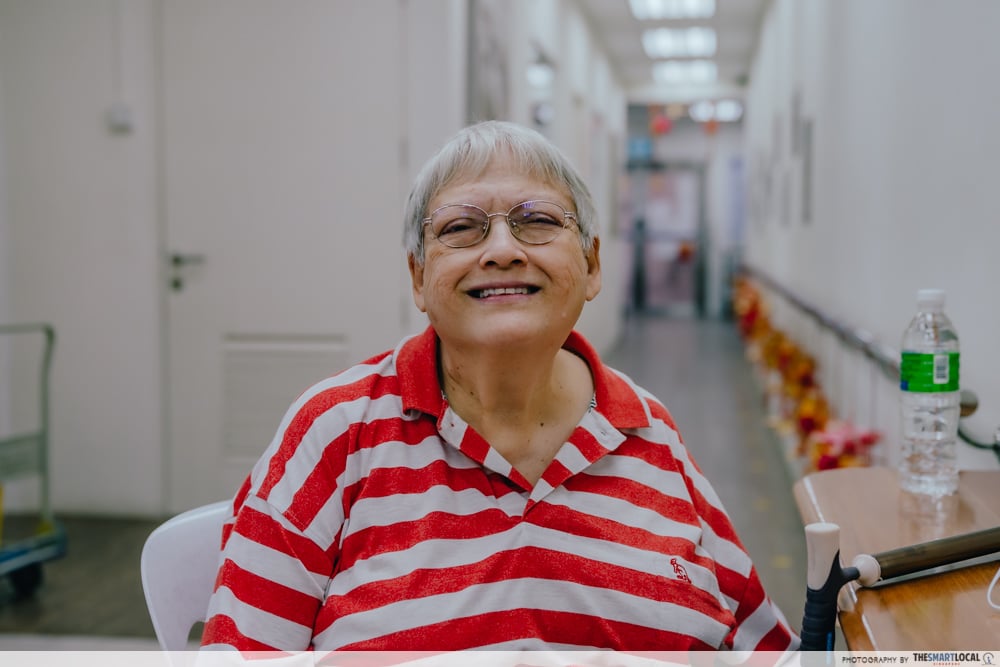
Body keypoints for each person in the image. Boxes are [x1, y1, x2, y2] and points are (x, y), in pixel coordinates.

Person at [200, 120, 800, 654]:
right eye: (461, 228)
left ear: (592, 264)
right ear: (419, 276)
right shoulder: (337, 429)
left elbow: (764, 648)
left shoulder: (647, 429)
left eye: (537, 221)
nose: (503, 251)